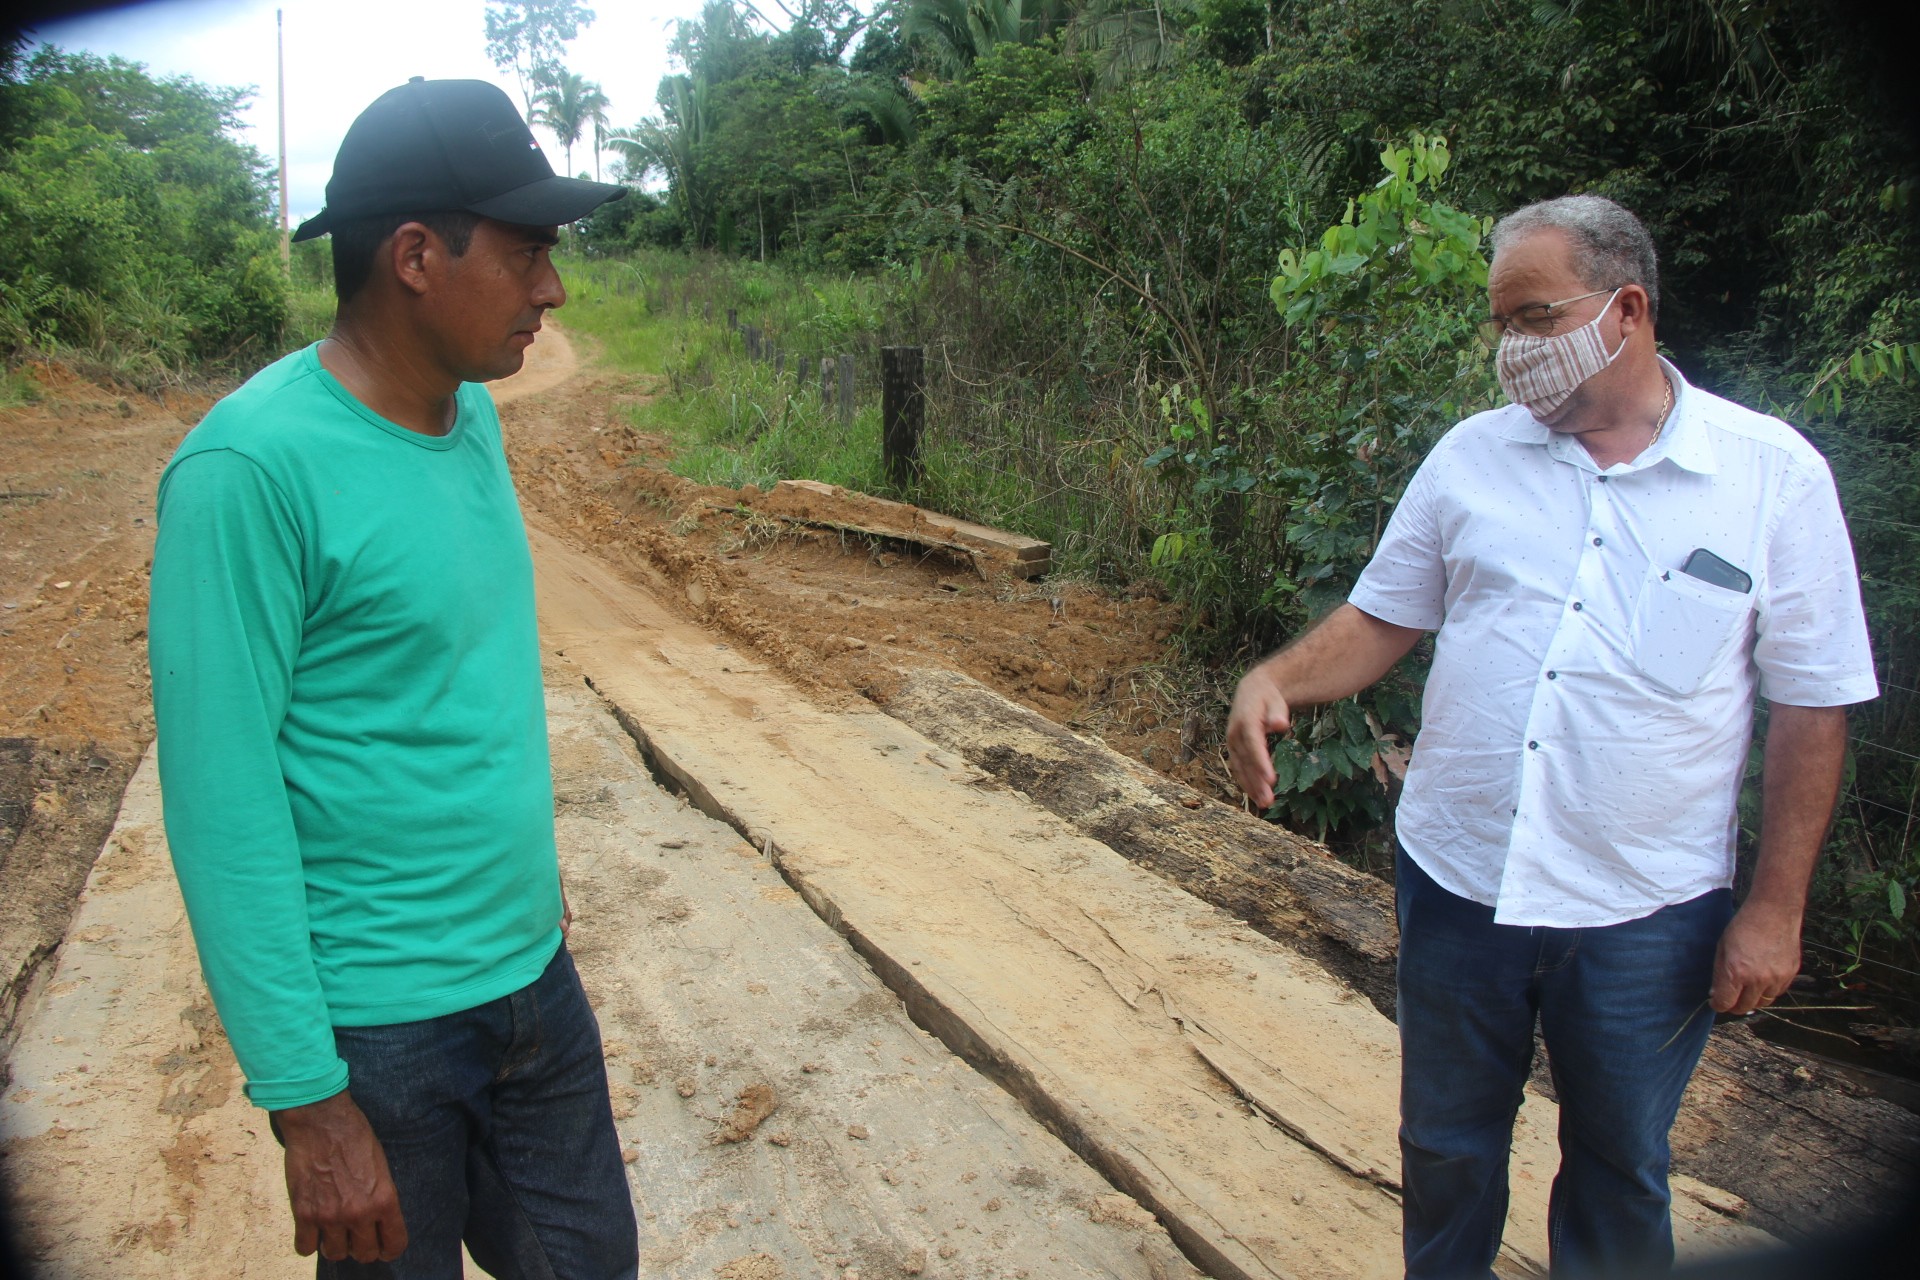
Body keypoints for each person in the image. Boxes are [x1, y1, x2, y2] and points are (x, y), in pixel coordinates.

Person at [1225, 195, 1877, 1279]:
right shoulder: (1472, 457)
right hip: (1458, 877)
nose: (1509, 351)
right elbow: (1385, 615)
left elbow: (1811, 704)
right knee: (1444, 1147)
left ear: (1625, 309)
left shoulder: (1774, 476)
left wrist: (1775, 906)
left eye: (1533, 317)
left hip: (1644, 908)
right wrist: (1275, 676)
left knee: (1620, 1170)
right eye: (1501, 324)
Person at [148, 78, 634, 1278]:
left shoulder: (472, 419)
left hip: (533, 983)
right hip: (381, 1034)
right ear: (416, 254)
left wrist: (528, 876)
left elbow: (463, 683)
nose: (552, 290)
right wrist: (309, 1101)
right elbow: (222, 801)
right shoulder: (247, 472)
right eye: (527, 255)